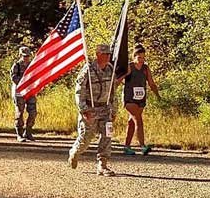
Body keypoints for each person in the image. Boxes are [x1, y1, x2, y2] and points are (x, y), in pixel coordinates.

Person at [68, 44, 118, 176]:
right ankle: (75, 152)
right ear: (98, 55)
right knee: (86, 138)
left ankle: (102, 165)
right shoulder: (87, 71)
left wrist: (114, 110)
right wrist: (84, 110)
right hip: (90, 108)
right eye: (105, 54)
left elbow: (113, 92)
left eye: (109, 54)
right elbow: (79, 92)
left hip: (105, 108)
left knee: (107, 135)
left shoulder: (110, 70)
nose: (108, 57)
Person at [122, 44, 160, 155]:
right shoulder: (129, 67)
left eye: (143, 58)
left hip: (141, 99)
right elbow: (120, 78)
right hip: (129, 99)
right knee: (138, 120)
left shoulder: (145, 68)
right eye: (139, 58)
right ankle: (143, 146)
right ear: (134, 57)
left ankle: (127, 146)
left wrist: (158, 95)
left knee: (132, 122)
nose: (141, 60)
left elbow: (151, 83)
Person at [11, 46, 37, 142]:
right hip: (19, 92)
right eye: (24, 56)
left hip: (30, 91)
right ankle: (19, 134)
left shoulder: (32, 65)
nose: (26, 58)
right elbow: (13, 78)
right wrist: (23, 83)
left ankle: (28, 132)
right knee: (20, 113)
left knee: (33, 112)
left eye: (28, 56)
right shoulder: (16, 65)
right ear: (20, 55)